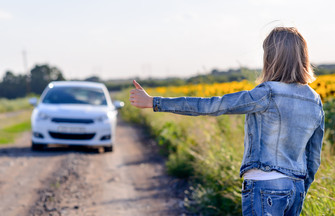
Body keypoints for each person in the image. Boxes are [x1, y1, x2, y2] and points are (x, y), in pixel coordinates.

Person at [129, 27, 324, 216]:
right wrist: (301, 188)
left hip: (265, 186)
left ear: (271, 58)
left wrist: (154, 102)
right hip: (296, 187)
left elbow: (213, 105)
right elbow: (313, 157)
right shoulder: (315, 100)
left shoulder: (267, 93)